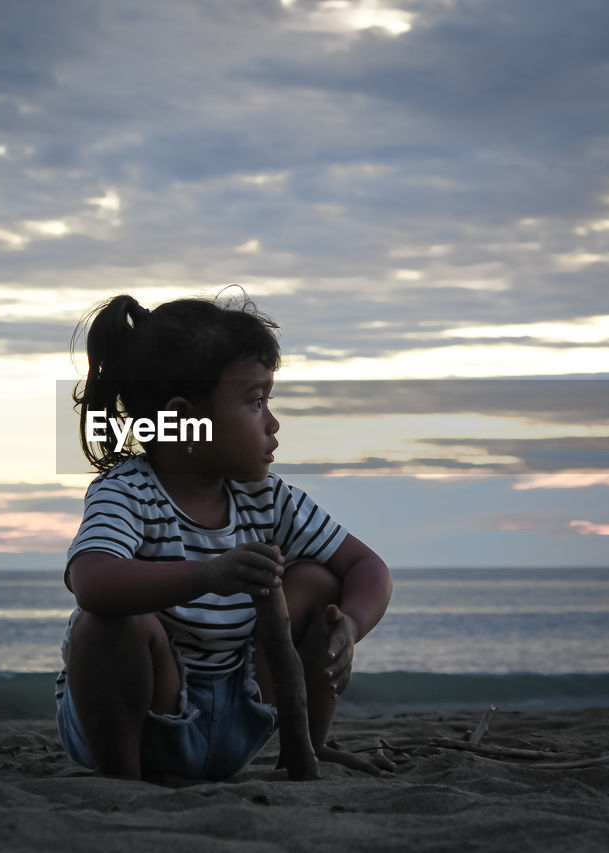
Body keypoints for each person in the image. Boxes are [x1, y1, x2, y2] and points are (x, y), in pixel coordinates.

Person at [54, 293, 394, 781]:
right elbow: (91, 581)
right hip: (147, 724)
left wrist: (351, 627)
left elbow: (368, 568)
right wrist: (208, 574)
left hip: (237, 723)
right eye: (256, 402)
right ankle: (121, 782)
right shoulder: (127, 492)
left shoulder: (268, 498)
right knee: (110, 622)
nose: (273, 423)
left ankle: (309, 748)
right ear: (185, 419)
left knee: (319, 584)